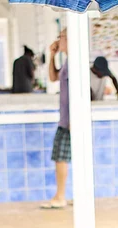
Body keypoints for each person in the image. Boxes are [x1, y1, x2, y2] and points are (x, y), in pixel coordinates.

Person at [42, 29, 71, 209]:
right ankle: (61, 195)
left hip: (69, 120)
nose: (58, 39)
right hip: (65, 119)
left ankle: (60, 196)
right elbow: (53, 78)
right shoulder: (68, 61)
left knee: (61, 157)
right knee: (61, 157)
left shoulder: (76, 61)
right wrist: (52, 56)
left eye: (61, 37)